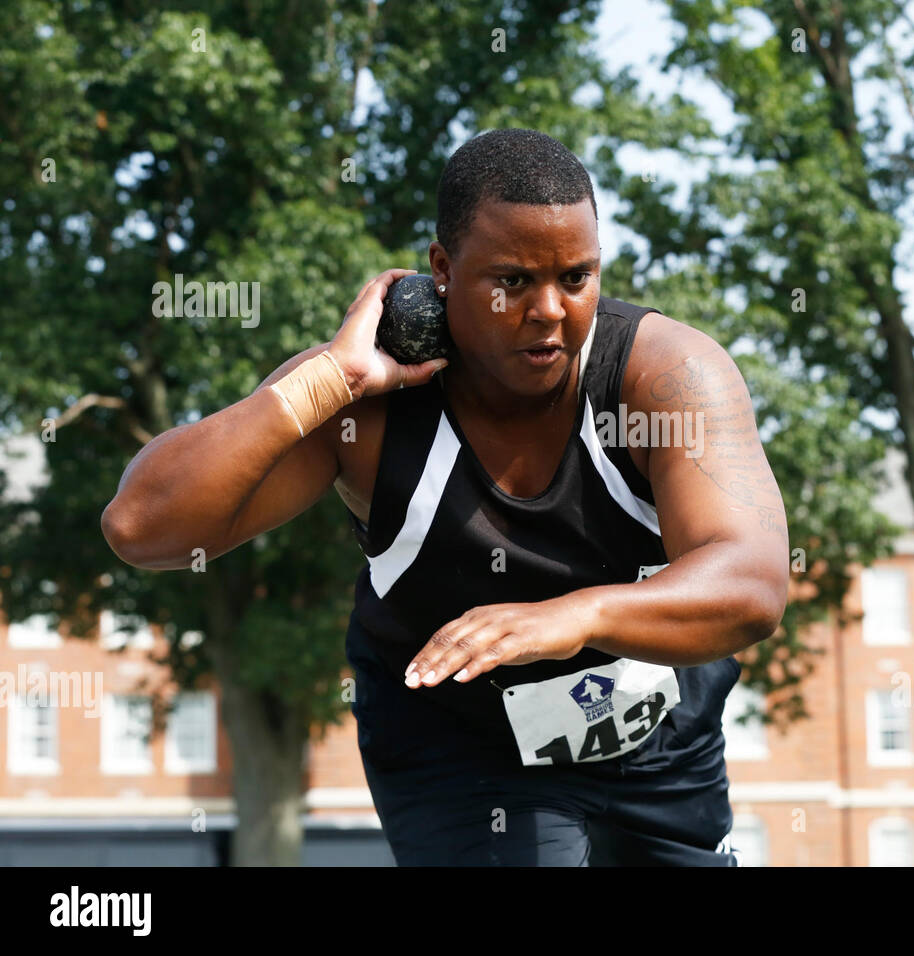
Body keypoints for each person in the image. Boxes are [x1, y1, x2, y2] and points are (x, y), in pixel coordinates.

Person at [101, 128, 791, 866]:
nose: (550, 310)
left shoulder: (661, 376)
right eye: (514, 281)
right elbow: (143, 527)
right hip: (460, 747)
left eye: (576, 277)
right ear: (442, 269)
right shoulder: (367, 406)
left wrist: (572, 617)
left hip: (653, 728)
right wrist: (322, 382)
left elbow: (752, 584)